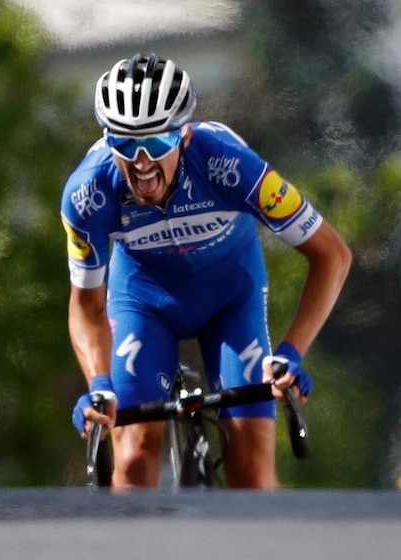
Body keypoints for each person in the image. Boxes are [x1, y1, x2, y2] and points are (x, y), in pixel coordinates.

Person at [61, 53, 351, 489]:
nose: (141, 164)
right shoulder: (88, 193)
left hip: (230, 297)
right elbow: (86, 303)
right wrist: (99, 382)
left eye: (157, 144)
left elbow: (332, 255)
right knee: (135, 460)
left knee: (252, 475)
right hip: (144, 301)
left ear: (185, 134)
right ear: (106, 141)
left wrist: (292, 352)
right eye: (125, 145)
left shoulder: (229, 165)